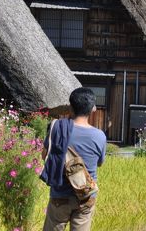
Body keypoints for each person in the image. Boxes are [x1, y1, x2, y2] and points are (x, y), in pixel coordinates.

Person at [41, 87, 106, 231]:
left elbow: (45, 155)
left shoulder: (57, 128)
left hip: (60, 194)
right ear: (92, 109)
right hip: (86, 195)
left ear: (71, 107)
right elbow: (100, 163)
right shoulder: (99, 136)